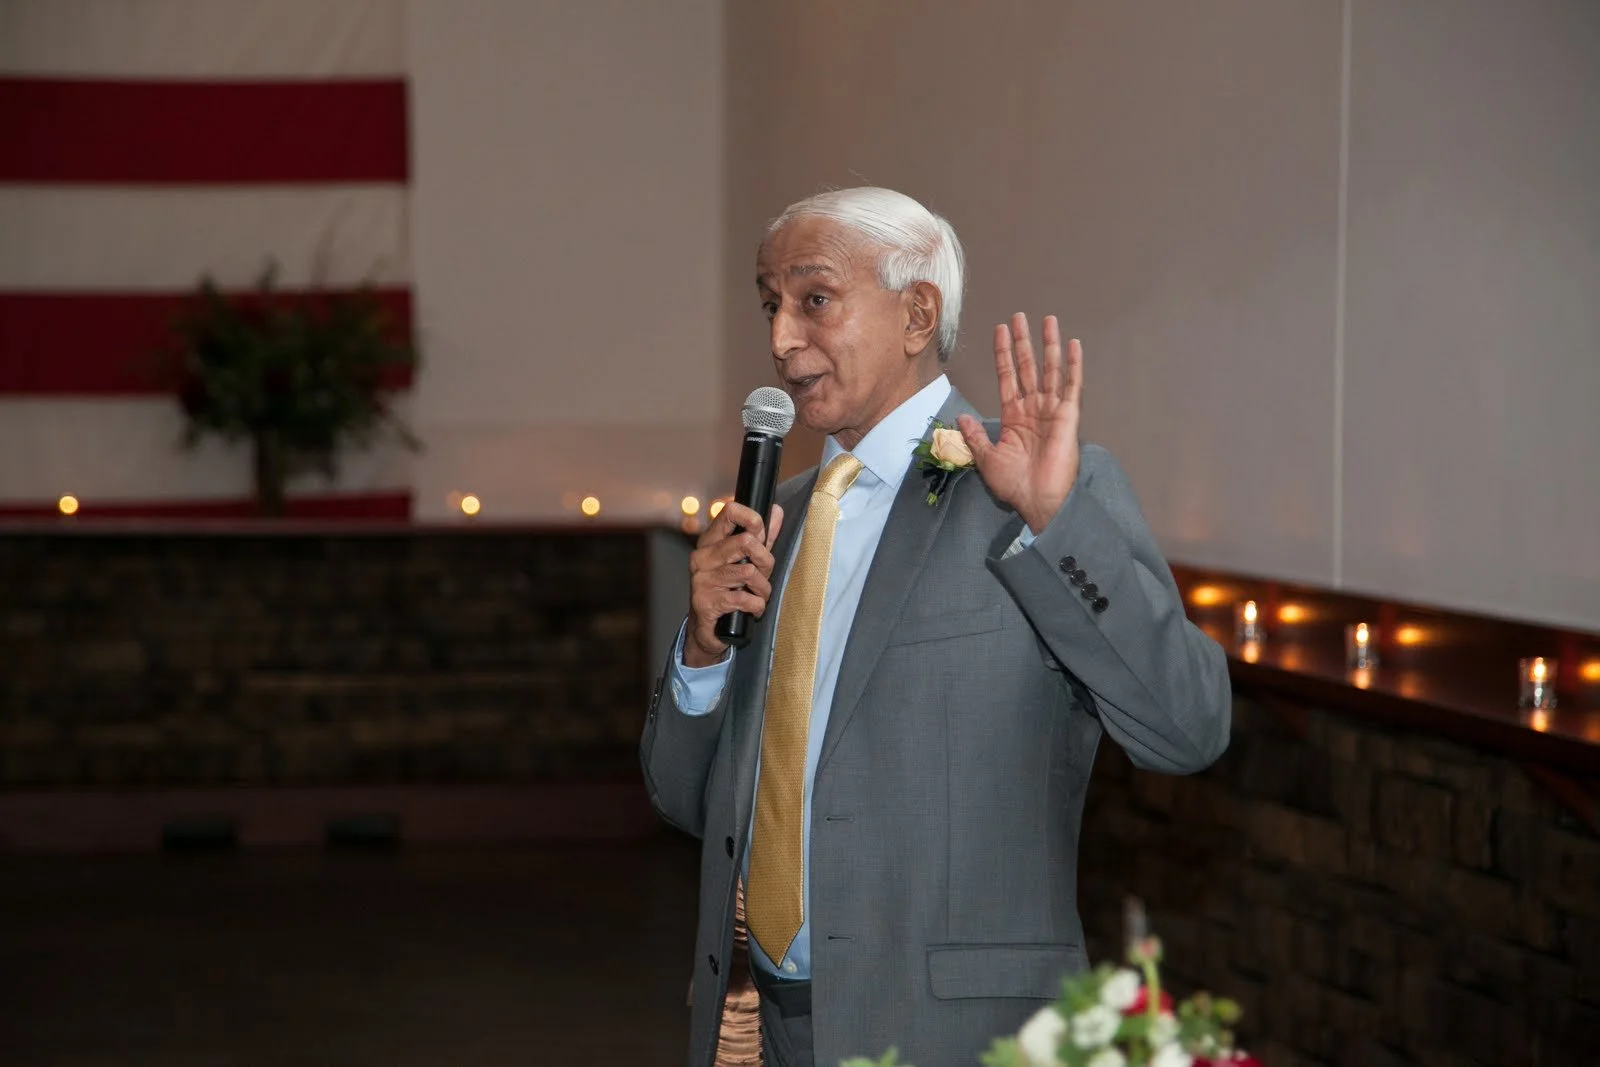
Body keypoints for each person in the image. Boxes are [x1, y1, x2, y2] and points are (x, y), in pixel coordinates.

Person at [640, 187, 1231, 1067]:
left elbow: (1189, 727)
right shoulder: (778, 516)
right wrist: (698, 652)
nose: (780, 340)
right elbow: (685, 800)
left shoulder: (1031, 495)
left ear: (917, 312)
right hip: (758, 1028)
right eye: (771, 305)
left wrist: (1055, 522)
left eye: (814, 300)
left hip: (949, 1033)